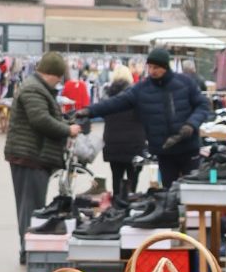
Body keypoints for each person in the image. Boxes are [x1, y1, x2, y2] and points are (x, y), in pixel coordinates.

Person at [84, 46, 207, 188]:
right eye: (150, 67)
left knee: (192, 189)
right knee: (169, 191)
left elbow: (203, 105)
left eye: (156, 67)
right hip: (164, 150)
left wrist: (191, 124)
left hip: (188, 147)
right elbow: (116, 103)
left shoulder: (185, 83)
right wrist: (89, 111)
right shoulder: (142, 89)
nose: (152, 71)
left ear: (165, 67)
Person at [4, 51, 81, 262]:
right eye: (59, 78)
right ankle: (28, 250)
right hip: (30, 157)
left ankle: (29, 248)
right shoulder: (34, 89)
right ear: (52, 74)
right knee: (30, 207)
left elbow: (44, 117)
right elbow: (40, 120)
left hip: (32, 156)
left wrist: (64, 123)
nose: (59, 82)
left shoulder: (37, 87)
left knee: (32, 205)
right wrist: (68, 129)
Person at [100, 64, 147, 197]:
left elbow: (102, 114)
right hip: (135, 143)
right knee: (133, 180)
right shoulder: (137, 95)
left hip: (113, 142)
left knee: (116, 178)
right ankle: (130, 202)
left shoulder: (106, 95)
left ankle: (117, 203)